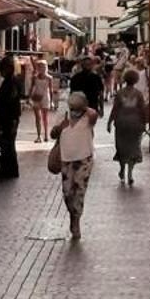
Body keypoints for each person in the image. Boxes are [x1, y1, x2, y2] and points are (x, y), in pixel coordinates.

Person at [51, 91, 99, 242]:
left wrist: (86, 109)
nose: (74, 111)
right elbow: (53, 134)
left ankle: (76, 221)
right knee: (67, 192)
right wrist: (60, 127)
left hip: (84, 159)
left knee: (79, 191)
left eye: (77, 108)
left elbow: (94, 115)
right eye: (72, 107)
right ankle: (73, 216)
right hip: (66, 159)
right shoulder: (63, 115)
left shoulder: (88, 116)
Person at [107, 70, 149, 184]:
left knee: (121, 147)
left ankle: (122, 169)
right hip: (135, 124)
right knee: (133, 147)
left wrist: (109, 122)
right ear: (135, 80)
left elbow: (115, 109)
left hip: (121, 123)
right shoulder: (138, 94)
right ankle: (130, 173)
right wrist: (145, 123)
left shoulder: (120, 93)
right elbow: (142, 110)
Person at [0, 53, 24, 180]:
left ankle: (9, 170)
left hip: (9, 118)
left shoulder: (11, 82)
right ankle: (9, 169)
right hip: (8, 117)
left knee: (7, 143)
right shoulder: (11, 81)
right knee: (7, 144)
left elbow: (5, 99)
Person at [28, 59, 55, 142]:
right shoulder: (34, 77)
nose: (41, 69)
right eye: (39, 67)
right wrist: (29, 98)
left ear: (46, 67)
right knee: (37, 117)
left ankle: (46, 135)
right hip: (36, 97)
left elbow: (51, 90)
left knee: (45, 117)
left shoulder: (49, 78)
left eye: (43, 67)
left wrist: (51, 101)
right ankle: (39, 135)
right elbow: (31, 88)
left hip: (45, 98)